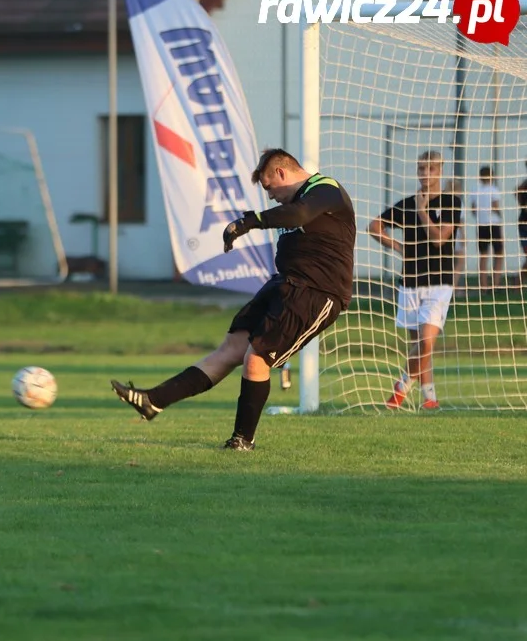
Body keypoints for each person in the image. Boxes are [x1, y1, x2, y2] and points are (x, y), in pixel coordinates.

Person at [110, 149, 356, 451]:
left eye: (269, 187)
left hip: (317, 293)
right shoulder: (293, 202)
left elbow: (299, 215)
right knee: (229, 350)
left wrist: (249, 222)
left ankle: (243, 440)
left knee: (256, 359)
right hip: (284, 285)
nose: (270, 196)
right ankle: (152, 401)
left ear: (281, 173)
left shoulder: (325, 189)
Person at [368, 150, 462, 410]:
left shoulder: (451, 202)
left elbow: (440, 238)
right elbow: (374, 226)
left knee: (426, 341)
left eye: (430, 169)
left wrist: (422, 211)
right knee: (420, 347)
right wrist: (397, 245)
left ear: (439, 170)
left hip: (439, 282)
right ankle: (430, 399)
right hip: (410, 282)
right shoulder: (406, 203)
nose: (424, 174)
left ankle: (400, 389)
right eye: (421, 169)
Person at [467, 166, 504, 291]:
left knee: (484, 255)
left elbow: (473, 209)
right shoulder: (493, 190)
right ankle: (496, 284)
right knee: (498, 254)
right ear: (491, 176)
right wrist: (500, 214)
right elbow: (495, 206)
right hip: (493, 223)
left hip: (481, 224)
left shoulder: (475, 190)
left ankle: (483, 286)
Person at [516, 161, 527, 286]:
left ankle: (517, 282)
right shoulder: (524, 185)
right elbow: (517, 191)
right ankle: (517, 282)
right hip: (524, 223)